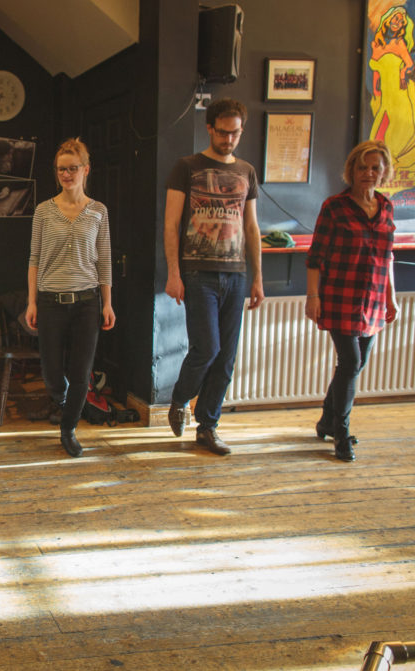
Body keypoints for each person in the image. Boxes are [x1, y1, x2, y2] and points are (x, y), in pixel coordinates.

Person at [164, 98, 264, 455]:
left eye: (235, 132)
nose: (229, 139)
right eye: (223, 132)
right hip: (197, 272)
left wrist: (257, 278)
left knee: (226, 358)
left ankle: (208, 426)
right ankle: (179, 399)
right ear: (210, 128)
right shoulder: (186, 167)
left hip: (236, 275)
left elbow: (251, 227)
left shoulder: (247, 172)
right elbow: (171, 224)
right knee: (207, 348)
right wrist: (173, 273)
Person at [305, 140, 398, 462]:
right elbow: (315, 256)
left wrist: (391, 299)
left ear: (384, 172)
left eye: (375, 168)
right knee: (350, 363)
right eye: (362, 167)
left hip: (373, 300)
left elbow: (387, 259)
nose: (368, 173)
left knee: (355, 365)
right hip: (340, 297)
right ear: (352, 170)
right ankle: (341, 433)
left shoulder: (386, 207)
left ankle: (327, 420)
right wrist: (312, 296)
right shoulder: (335, 207)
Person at [25, 138, 115, 458]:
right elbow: (34, 258)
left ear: (85, 170)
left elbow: (103, 260)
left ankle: (69, 429)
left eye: (72, 168)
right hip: (50, 301)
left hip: (87, 302)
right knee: (51, 372)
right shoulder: (43, 211)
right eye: (61, 169)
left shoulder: (98, 212)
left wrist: (107, 303)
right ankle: (64, 402)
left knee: (81, 371)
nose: (66, 174)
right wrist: (32, 301)